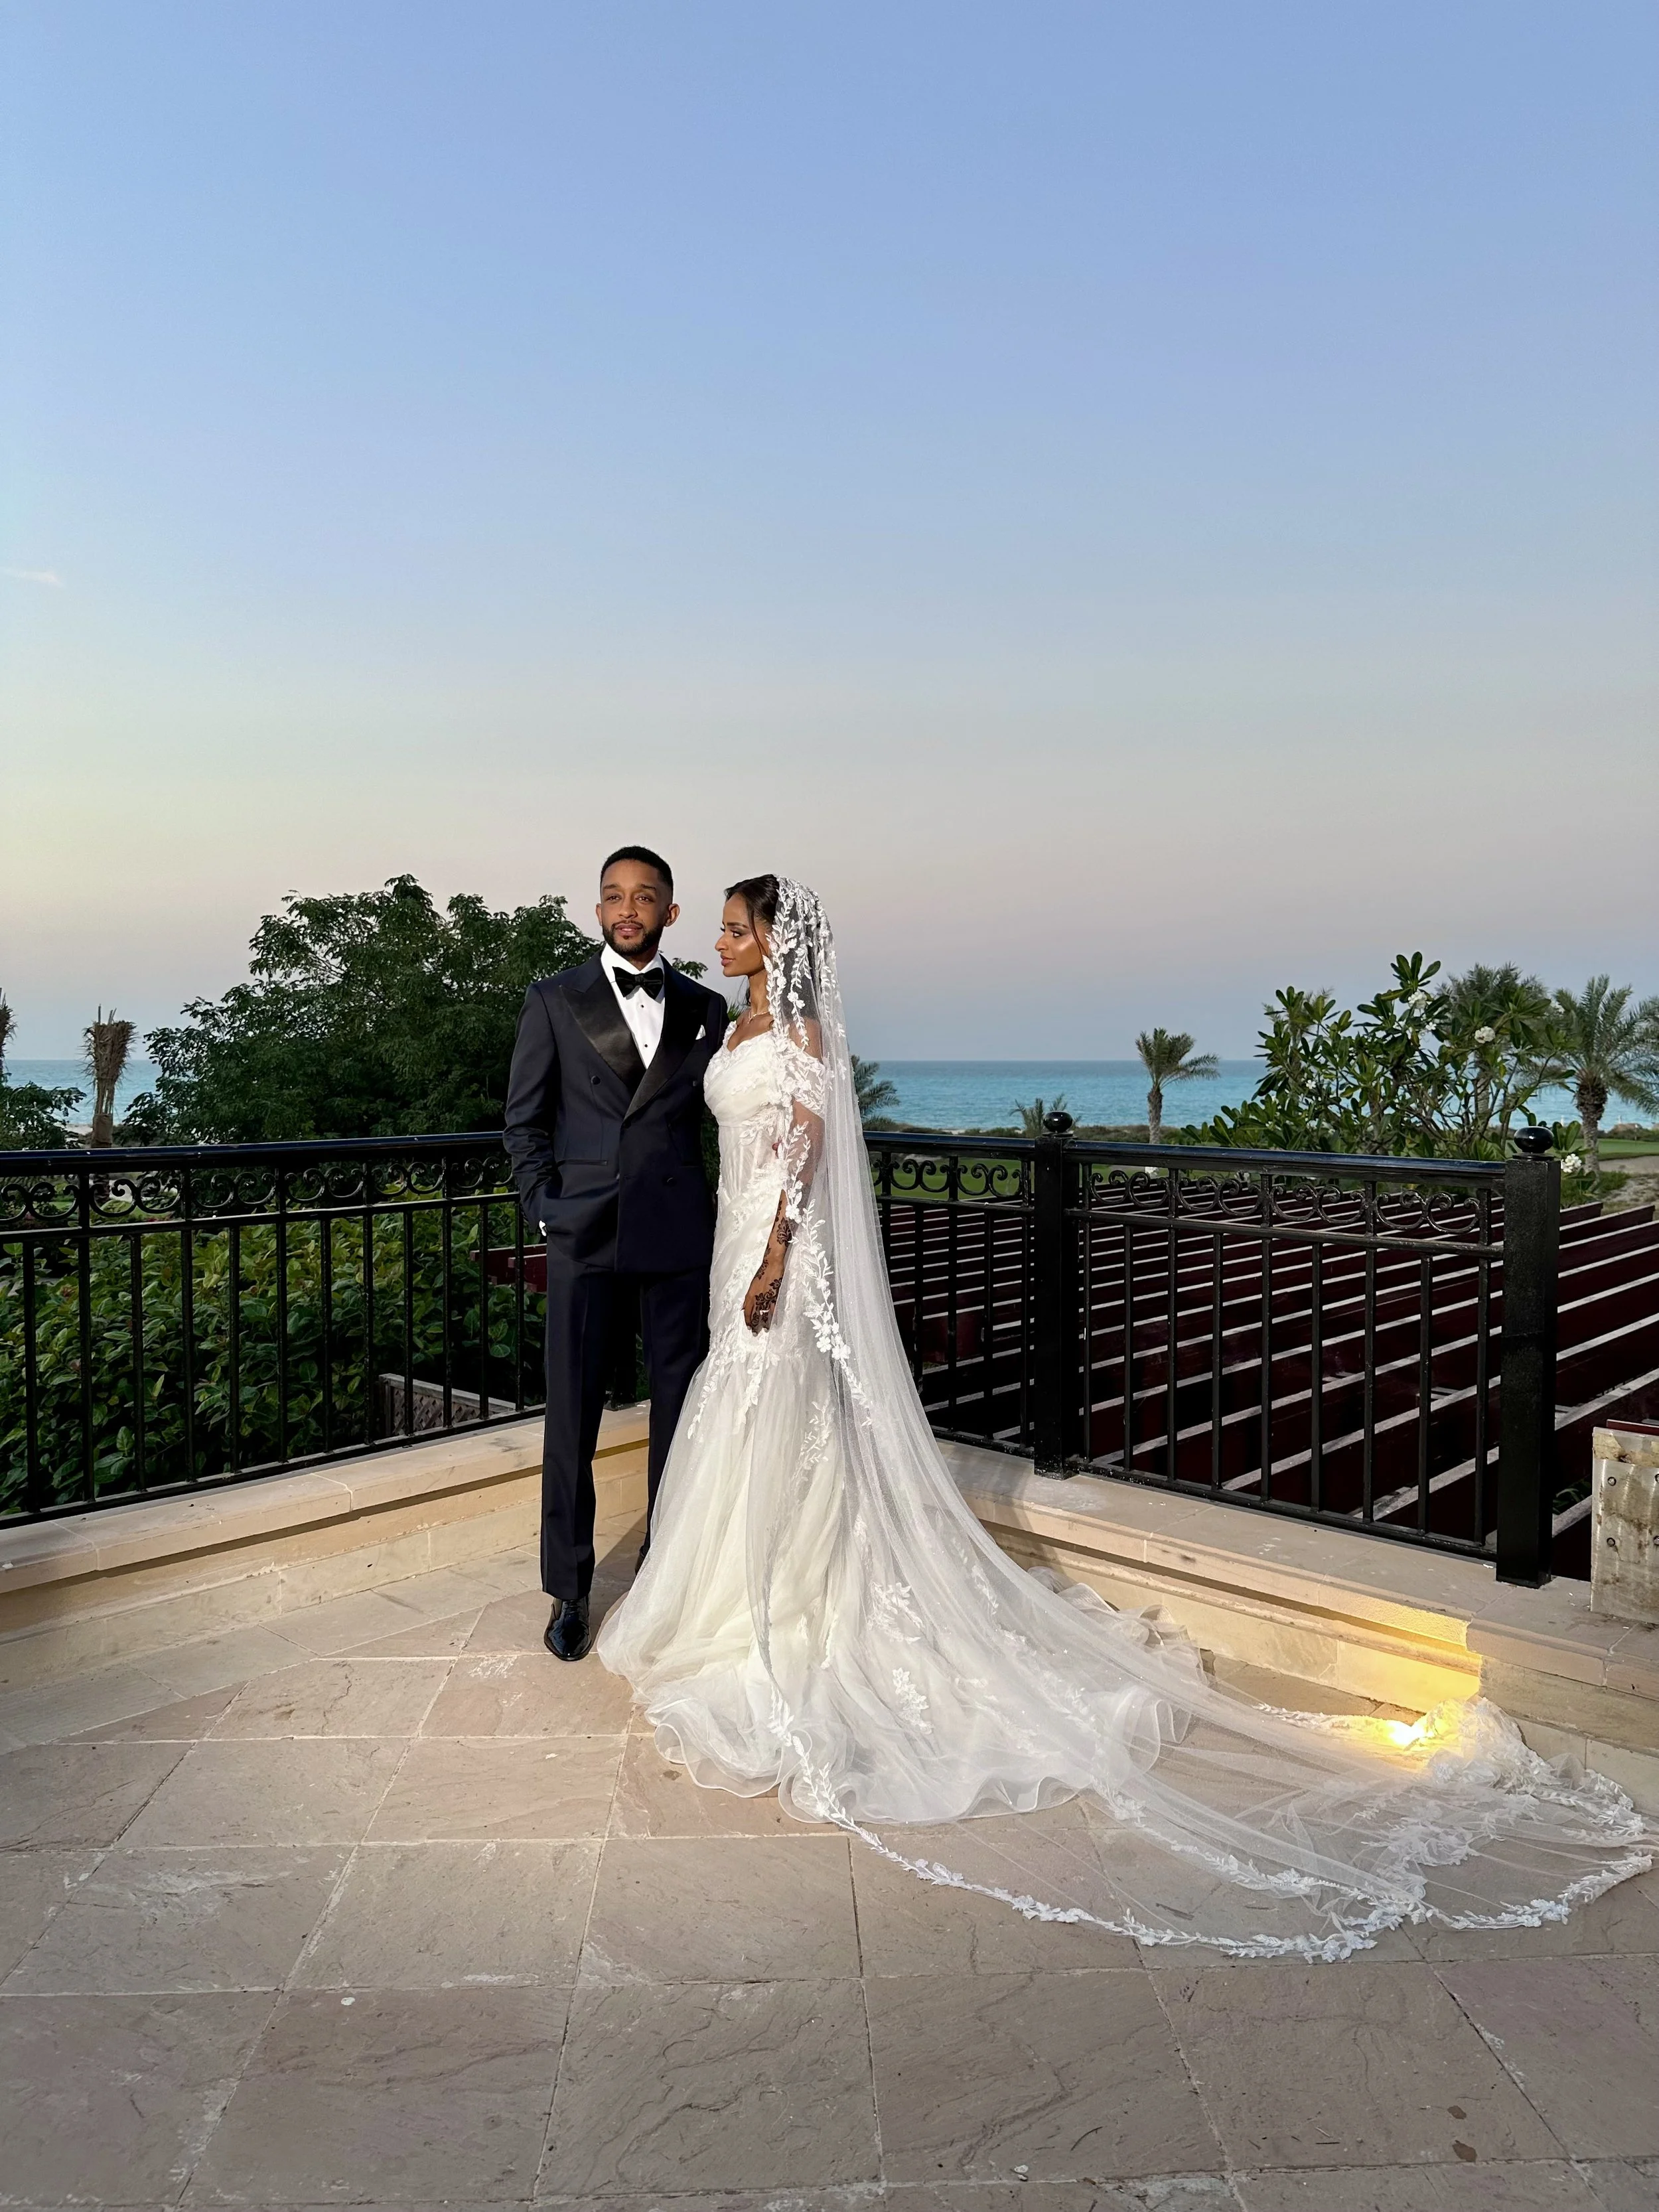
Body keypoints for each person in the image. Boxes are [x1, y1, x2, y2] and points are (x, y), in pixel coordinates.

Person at [595, 873, 1653, 1959]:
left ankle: (796, 1599)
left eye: (735, 927)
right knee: (740, 1411)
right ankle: (730, 1585)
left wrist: (776, 1252)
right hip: (730, 1241)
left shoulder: (805, 1027)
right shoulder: (737, 1020)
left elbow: (811, 1146)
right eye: (721, 927)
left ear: (778, 942)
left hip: (777, 1253)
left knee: (792, 1418)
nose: (718, 941)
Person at [503, 846, 727, 1661]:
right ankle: (568, 1590)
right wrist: (545, 1210)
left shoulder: (706, 1007)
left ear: (671, 912)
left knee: (683, 1414)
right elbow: (524, 1122)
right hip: (584, 1235)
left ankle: (666, 1567)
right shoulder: (554, 999)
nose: (627, 909)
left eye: (644, 897)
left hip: (676, 1236)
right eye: (612, 897)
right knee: (572, 1419)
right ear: (597, 911)